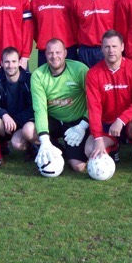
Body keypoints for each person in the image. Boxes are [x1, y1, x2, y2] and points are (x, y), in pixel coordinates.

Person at [85, 30, 132, 173]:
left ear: (122, 47)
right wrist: (98, 138)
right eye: (107, 47)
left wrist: (121, 120)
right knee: (89, 150)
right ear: (101, 48)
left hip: (128, 124)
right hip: (107, 126)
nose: (111, 51)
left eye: (114, 46)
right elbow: (94, 108)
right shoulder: (94, 73)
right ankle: (114, 147)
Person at [31, 38, 90, 172]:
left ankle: (67, 152)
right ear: (45, 54)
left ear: (65, 53)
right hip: (54, 120)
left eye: (58, 52)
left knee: (78, 167)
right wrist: (45, 140)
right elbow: (40, 109)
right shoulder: (38, 75)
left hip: (76, 122)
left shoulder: (80, 69)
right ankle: (53, 146)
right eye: (50, 53)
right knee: (29, 131)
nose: (54, 56)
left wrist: (82, 126)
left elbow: (94, 100)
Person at [0, 47, 35, 171]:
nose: (11, 66)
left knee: (17, 143)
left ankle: (32, 147)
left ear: (20, 62)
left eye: (14, 61)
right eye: (7, 62)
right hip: (5, 123)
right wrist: (4, 115)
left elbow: (35, 108)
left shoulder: (30, 79)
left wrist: (15, 121)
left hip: (23, 123)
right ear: (1, 63)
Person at [71, 0, 118, 68]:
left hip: (107, 48)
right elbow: (74, 27)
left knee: (107, 82)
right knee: (86, 82)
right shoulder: (76, 1)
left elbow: (119, 25)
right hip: (85, 50)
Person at [31, 0, 78, 67]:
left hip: (68, 50)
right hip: (45, 52)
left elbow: (76, 24)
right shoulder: (35, 1)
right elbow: (34, 29)